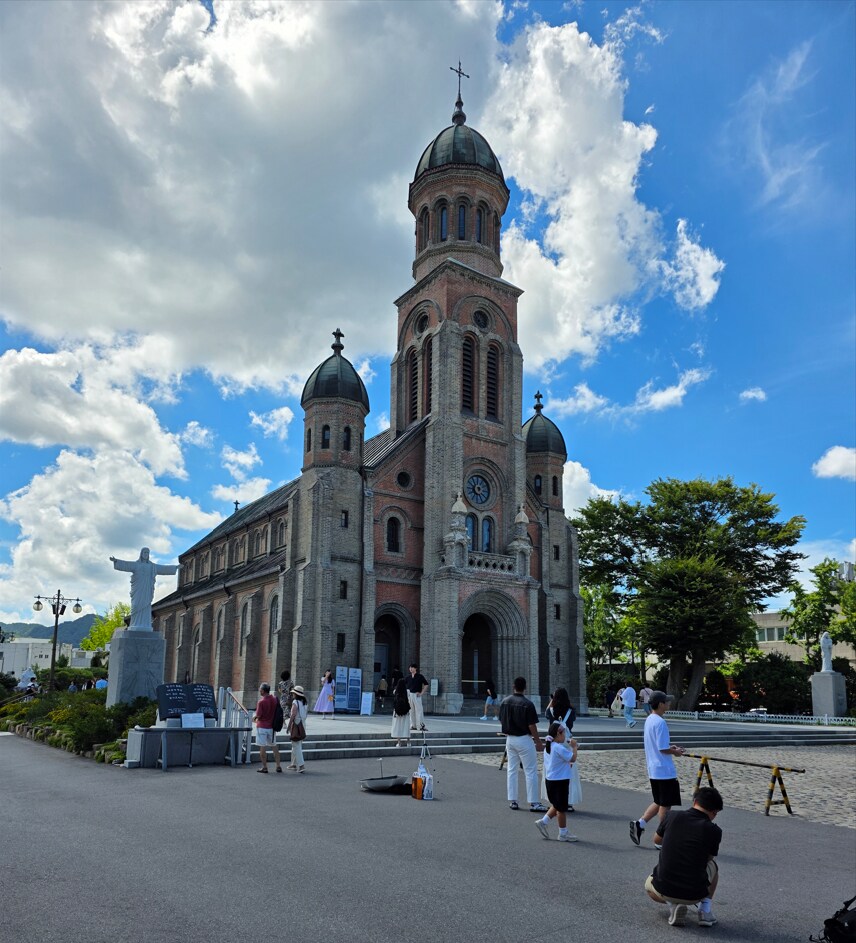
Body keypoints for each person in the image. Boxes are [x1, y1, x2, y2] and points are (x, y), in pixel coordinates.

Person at [644, 786, 723, 928]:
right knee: (714, 866)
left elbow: (656, 840)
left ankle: (673, 905)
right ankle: (705, 911)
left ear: (695, 802)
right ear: (714, 812)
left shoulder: (671, 816)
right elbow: (709, 858)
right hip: (695, 893)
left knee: (649, 886)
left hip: (664, 888)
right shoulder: (714, 830)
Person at [631, 691, 685, 846]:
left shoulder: (650, 719)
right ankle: (662, 838)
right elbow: (662, 748)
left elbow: (658, 745)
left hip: (654, 768)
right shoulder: (660, 722)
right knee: (665, 804)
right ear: (661, 704)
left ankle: (640, 824)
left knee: (659, 800)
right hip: (663, 769)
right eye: (666, 702)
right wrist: (675, 751)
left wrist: (670, 747)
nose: (668, 704)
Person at [499, 676, 546, 813]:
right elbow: (532, 725)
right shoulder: (527, 704)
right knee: (530, 770)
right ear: (525, 687)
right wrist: (537, 741)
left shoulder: (505, 701)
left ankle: (513, 800)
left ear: (513, 686)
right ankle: (534, 802)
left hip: (510, 739)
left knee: (511, 770)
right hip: (524, 739)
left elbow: (502, 720)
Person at [110, 547, 178, 630]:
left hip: (147, 590)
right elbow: (126, 565)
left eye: (147, 553)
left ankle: (145, 625)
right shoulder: (136, 565)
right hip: (138, 590)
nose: (146, 554)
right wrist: (116, 561)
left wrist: (175, 568)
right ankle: (135, 624)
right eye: (145, 552)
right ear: (141, 554)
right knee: (136, 605)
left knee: (146, 607)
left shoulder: (152, 566)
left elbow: (163, 569)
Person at [534, 721, 579, 842]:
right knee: (562, 808)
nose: (565, 736)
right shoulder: (559, 748)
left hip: (551, 780)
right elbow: (573, 758)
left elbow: (556, 763)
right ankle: (563, 833)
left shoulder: (549, 747)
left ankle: (543, 822)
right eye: (563, 733)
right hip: (560, 782)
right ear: (558, 734)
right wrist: (574, 747)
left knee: (557, 804)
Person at [253, 682, 282, 774]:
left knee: (262, 747)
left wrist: (253, 718)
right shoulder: (274, 699)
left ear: (263, 690)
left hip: (262, 726)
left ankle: (264, 767)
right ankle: (278, 766)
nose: (259, 690)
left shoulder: (261, 702)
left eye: (260, 689)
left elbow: (259, 715)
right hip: (272, 727)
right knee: (274, 746)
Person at [286, 685, 308, 772]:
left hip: (296, 724)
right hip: (303, 724)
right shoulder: (304, 702)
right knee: (297, 745)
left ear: (295, 694)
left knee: (296, 745)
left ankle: (301, 765)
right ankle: (293, 764)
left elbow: (293, 715)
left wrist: (288, 726)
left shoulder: (295, 702)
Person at [405, 663, 429, 732]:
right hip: (410, 695)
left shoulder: (420, 676)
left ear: (415, 668)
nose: (411, 669)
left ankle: (421, 726)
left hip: (417, 695)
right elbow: (403, 684)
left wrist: (421, 693)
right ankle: (413, 725)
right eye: (410, 668)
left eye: (412, 667)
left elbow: (426, 684)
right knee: (411, 711)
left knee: (419, 711)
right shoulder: (408, 677)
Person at [390, 677, 411, 746]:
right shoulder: (407, 692)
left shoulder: (395, 691)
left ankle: (399, 743)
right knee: (406, 726)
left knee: (397, 726)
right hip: (406, 711)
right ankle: (408, 742)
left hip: (397, 711)